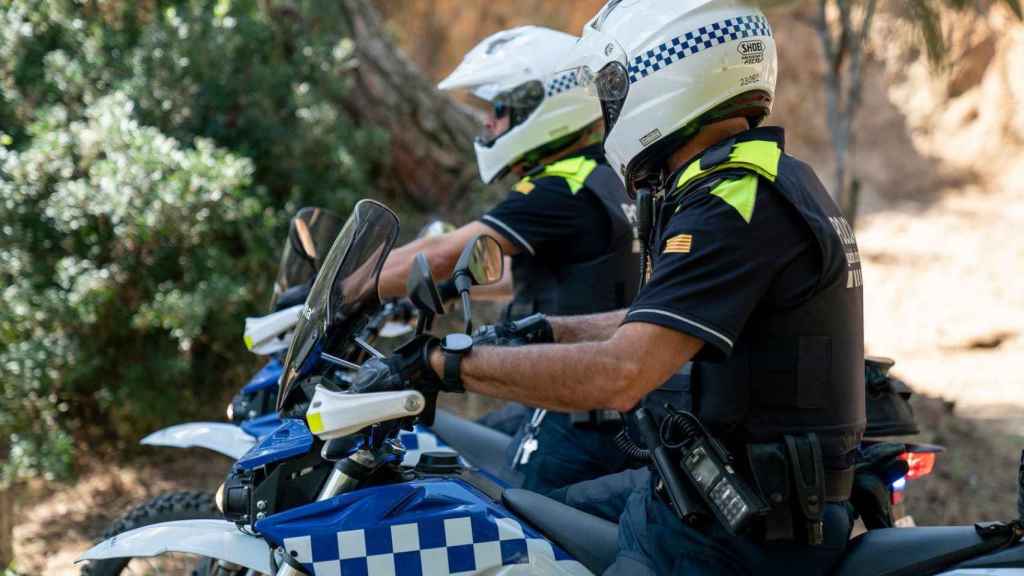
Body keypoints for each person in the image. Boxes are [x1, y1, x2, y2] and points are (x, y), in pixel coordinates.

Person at [352, 1, 866, 574]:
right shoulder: (766, 178)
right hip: (706, 496)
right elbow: (655, 320)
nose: (608, 107)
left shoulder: (732, 203)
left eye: (615, 87)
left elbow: (621, 374)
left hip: (733, 534)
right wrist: (546, 329)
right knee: (515, 525)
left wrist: (443, 366)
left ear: (667, 78)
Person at [373, 26, 650, 492]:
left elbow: (443, 252)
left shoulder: (557, 188)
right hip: (588, 400)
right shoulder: (604, 175)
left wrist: (349, 287)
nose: (490, 125)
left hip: (573, 405)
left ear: (544, 104)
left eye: (499, 111)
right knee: (459, 455)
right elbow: (542, 273)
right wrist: (429, 294)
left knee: (508, 526)